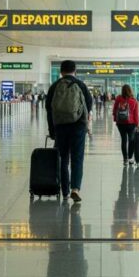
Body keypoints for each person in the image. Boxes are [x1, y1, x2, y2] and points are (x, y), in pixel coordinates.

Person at [46, 60, 92, 203]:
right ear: (75, 71)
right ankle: (75, 189)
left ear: (61, 71)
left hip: (60, 126)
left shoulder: (54, 86)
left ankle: (64, 191)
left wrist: (52, 130)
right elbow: (88, 106)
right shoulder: (81, 85)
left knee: (62, 159)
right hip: (78, 126)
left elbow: (49, 109)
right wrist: (86, 126)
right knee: (77, 158)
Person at [112, 84, 139, 166]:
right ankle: (130, 158)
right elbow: (136, 115)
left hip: (120, 123)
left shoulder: (118, 98)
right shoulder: (134, 101)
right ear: (130, 90)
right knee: (131, 140)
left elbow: (114, 110)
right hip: (131, 124)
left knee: (123, 140)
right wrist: (137, 124)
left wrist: (115, 119)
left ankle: (125, 159)